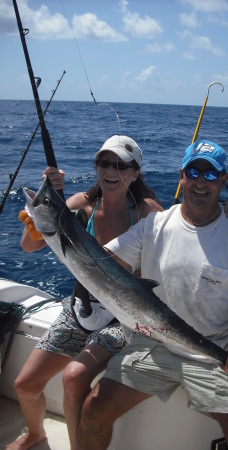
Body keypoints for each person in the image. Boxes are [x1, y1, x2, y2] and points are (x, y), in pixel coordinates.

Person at [76, 139, 228, 450]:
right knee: (93, 410)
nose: (200, 182)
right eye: (194, 172)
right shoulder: (154, 226)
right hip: (153, 343)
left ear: (223, 180)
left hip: (215, 354)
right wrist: (59, 232)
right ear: (182, 176)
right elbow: (100, 264)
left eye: (210, 174)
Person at [7, 135, 163, 450]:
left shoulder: (148, 212)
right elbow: (29, 245)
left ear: (135, 173)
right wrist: (36, 218)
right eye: (104, 162)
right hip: (82, 308)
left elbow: (183, 234)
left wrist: (223, 214)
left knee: (74, 378)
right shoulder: (80, 205)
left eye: (121, 165)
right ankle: (36, 434)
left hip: (124, 315)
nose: (111, 169)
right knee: (24, 385)